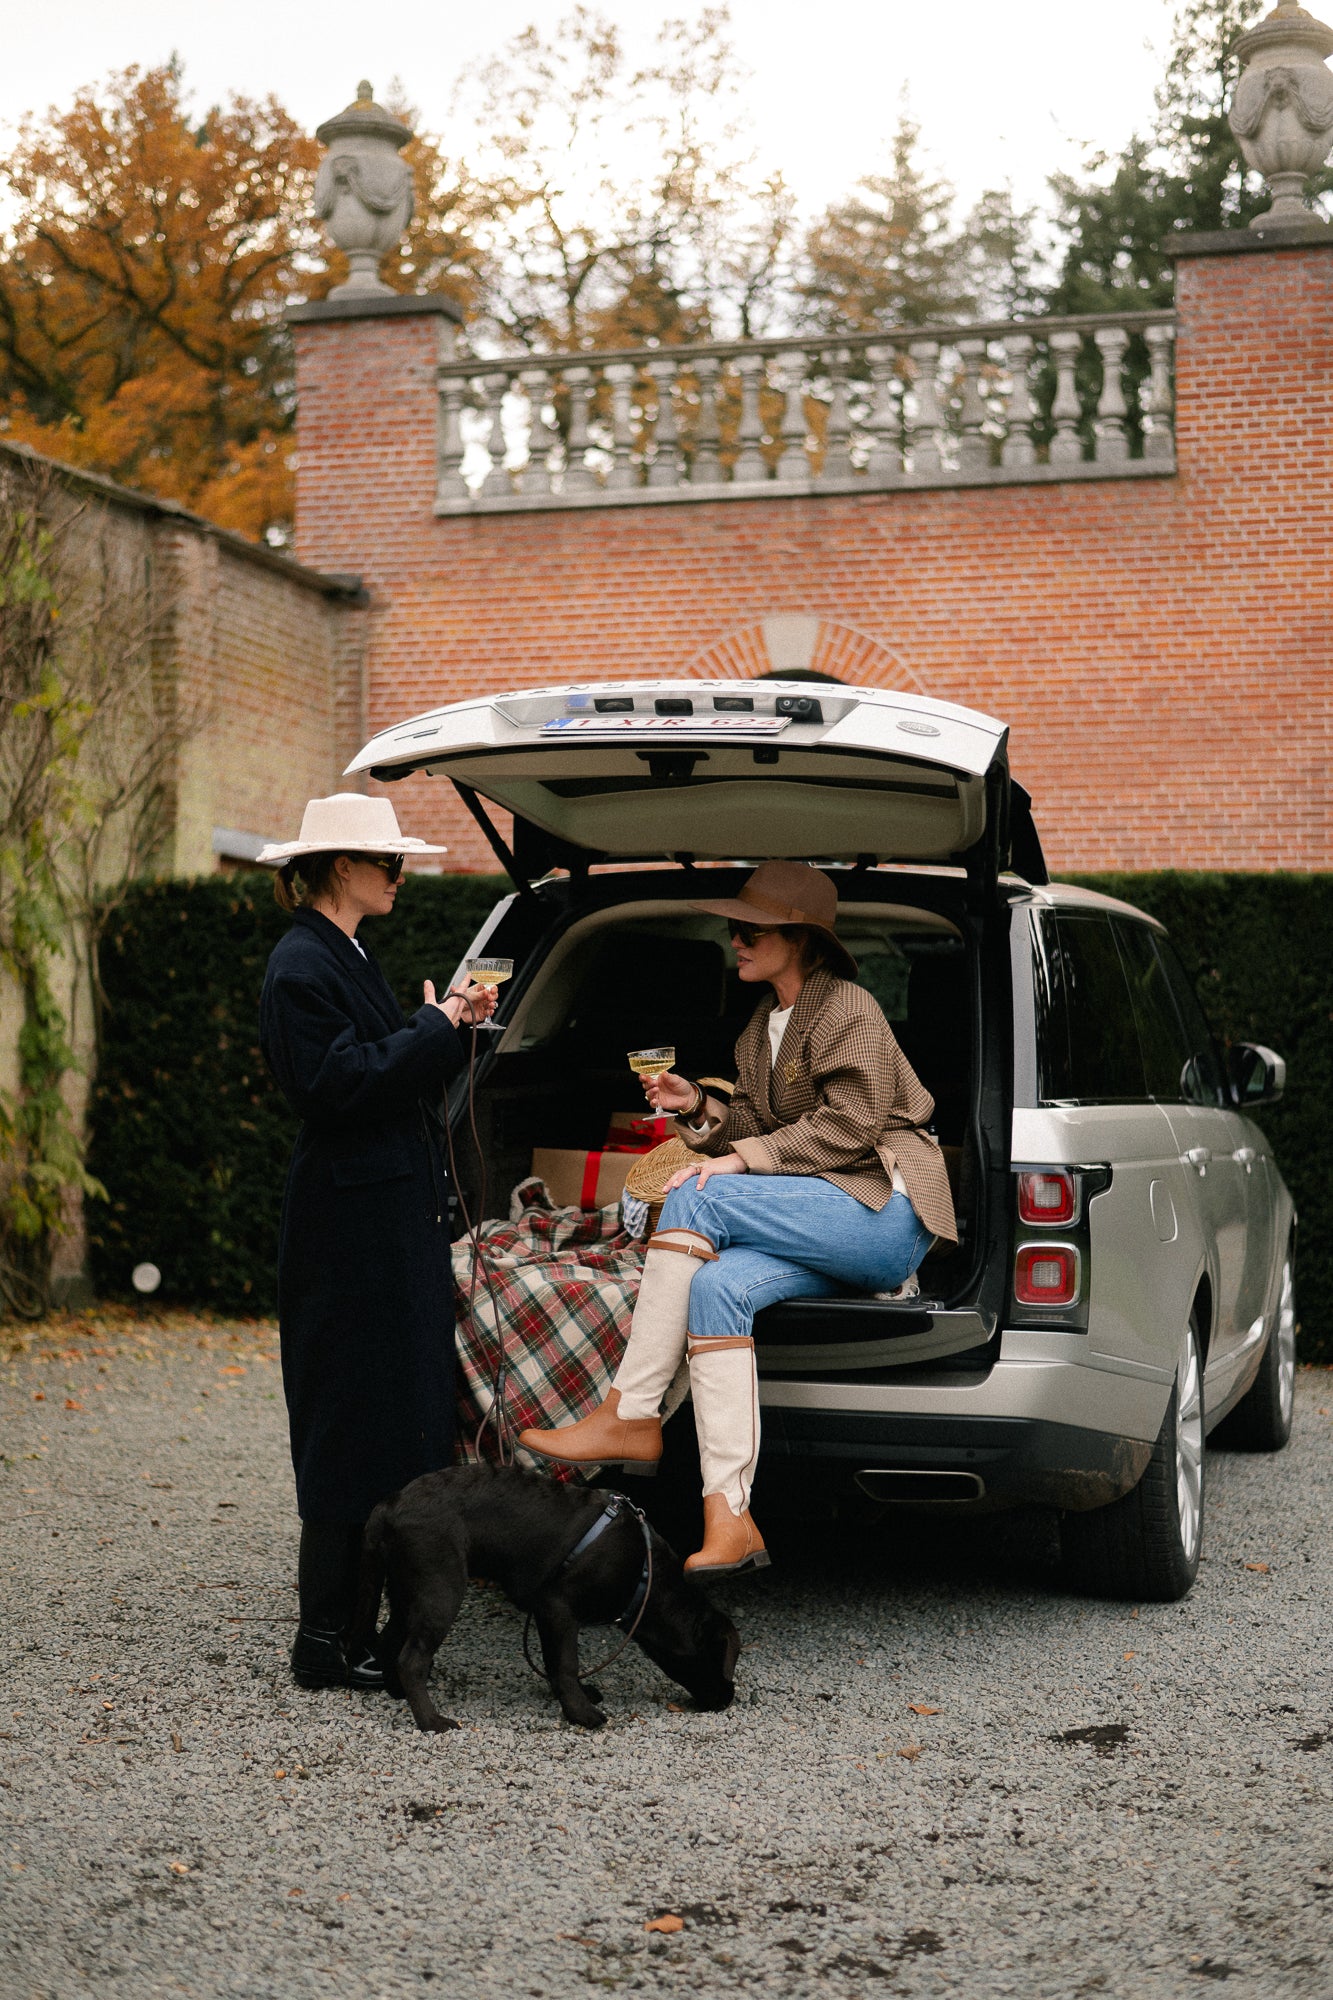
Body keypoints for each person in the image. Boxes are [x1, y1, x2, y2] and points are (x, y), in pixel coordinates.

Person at [520, 860, 956, 1576]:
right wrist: (695, 1104)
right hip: (818, 1215)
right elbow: (753, 1121)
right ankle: (730, 1516)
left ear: (804, 940)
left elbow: (850, 1124)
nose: (736, 938)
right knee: (713, 1289)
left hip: (884, 1215)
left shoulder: (847, 1006)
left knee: (697, 1190)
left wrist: (733, 1161)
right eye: (734, 927)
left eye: (753, 929)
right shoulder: (763, 1026)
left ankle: (629, 1413)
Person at [257, 793, 496, 1692]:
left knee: (399, 1419)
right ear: (340, 868)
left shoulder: (344, 951)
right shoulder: (300, 965)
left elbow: (372, 1065)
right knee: (350, 1428)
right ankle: (324, 1644)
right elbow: (335, 1087)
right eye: (388, 862)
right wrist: (431, 1031)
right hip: (347, 1233)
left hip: (384, 1218)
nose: (399, 875)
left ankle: (378, 1634)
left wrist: (439, 1027)